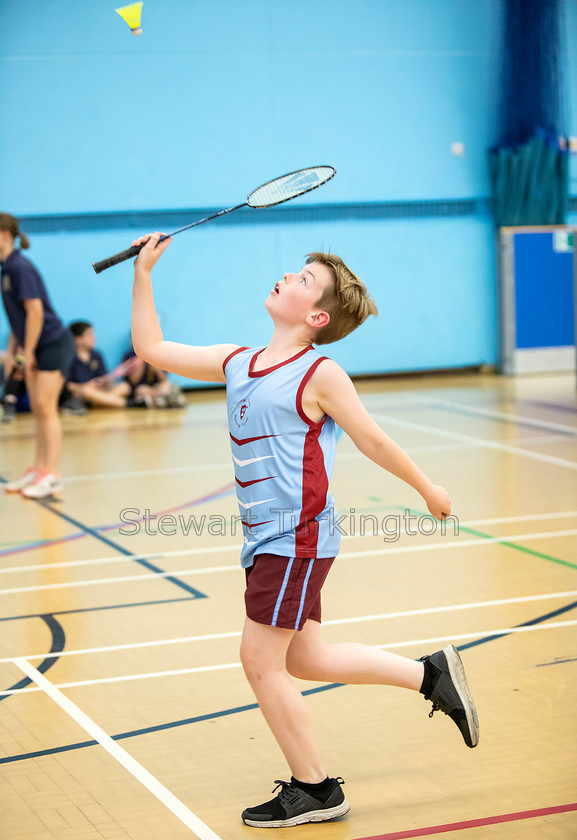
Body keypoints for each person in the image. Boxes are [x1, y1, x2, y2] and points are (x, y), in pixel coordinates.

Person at [130, 232, 479, 829]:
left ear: (317, 315)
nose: (288, 277)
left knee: (259, 660)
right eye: (295, 272)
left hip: (297, 536)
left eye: (304, 279)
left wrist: (428, 488)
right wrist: (144, 274)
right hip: (265, 536)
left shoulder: (320, 373)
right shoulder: (237, 362)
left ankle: (315, 788)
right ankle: (430, 674)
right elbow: (153, 348)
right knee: (307, 658)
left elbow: (371, 439)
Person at [0, 213, 74, 498]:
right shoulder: (6, 268)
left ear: (5, 235)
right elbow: (18, 319)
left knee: (46, 407)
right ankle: (38, 467)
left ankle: (52, 474)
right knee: (38, 409)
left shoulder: (20, 267)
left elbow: (35, 312)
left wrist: (27, 353)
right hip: (33, 346)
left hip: (52, 344)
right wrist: (19, 353)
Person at [65, 321, 135, 410]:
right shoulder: (69, 357)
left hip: (98, 392)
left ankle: (99, 402)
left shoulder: (96, 355)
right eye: (89, 335)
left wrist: (105, 381)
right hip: (82, 391)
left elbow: (103, 377)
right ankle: (124, 403)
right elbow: (66, 385)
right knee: (87, 391)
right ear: (78, 339)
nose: (94, 338)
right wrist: (85, 385)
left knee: (124, 386)